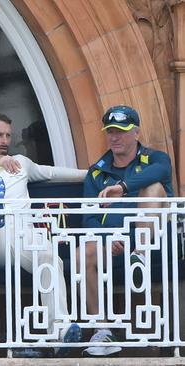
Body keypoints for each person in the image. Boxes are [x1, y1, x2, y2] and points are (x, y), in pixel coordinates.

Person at [0, 112, 86, 357]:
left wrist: (94, 174)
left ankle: (61, 331)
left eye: (8, 135)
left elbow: (52, 173)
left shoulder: (20, 163)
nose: (5, 140)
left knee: (50, 258)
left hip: (21, 236)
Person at [78, 105, 173, 356]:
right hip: (112, 242)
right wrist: (108, 242)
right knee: (82, 253)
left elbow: (162, 172)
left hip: (154, 241)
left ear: (137, 133)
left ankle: (139, 254)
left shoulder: (155, 158)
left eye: (121, 131)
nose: (114, 137)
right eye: (110, 131)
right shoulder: (97, 171)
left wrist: (122, 187)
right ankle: (102, 329)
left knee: (153, 186)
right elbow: (89, 218)